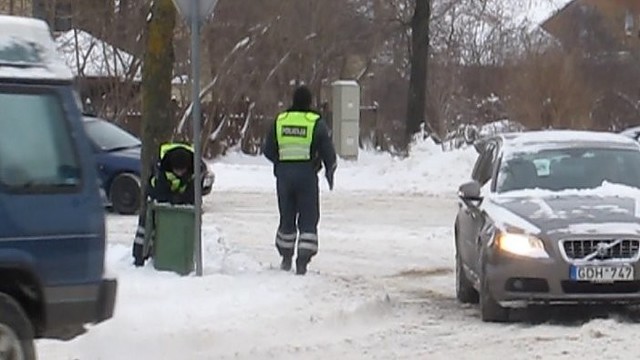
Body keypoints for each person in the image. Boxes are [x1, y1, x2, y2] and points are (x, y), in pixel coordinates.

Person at [262, 85, 337, 275]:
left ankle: (286, 256)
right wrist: (329, 170)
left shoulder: (280, 120)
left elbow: (268, 149)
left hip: (284, 176)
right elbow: (328, 150)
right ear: (310, 102)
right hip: (307, 175)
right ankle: (303, 261)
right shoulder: (315, 122)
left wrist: (280, 162)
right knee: (308, 217)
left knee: (287, 216)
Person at [132, 142, 196, 266]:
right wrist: (171, 198)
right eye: (178, 170)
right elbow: (158, 192)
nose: (180, 173)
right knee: (146, 226)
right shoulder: (160, 169)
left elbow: (193, 194)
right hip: (154, 197)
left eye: (183, 170)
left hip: (178, 203)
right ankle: (140, 255)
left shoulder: (194, 167)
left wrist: (182, 198)